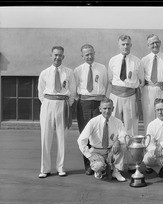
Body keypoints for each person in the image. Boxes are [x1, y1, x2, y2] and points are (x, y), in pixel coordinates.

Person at [38, 46, 76, 178]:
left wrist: (66, 105)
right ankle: (45, 169)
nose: (57, 57)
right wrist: (48, 104)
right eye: (55, 55)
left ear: (63, 57)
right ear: (51, 56)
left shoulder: (69, 72)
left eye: (60, 55)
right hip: (48, 104)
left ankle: (60, 167)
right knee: (45, 137)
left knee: (62, 137)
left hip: (63, 105)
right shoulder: (44, 73)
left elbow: (73, 92)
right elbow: (40, 93)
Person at [107, 35, 144, 172]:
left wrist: (129, 86)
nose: (125, 46)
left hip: (130, 96)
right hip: (115, 95)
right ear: (119, 45)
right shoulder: (113, 61)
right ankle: (113, 161)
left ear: (131, 45)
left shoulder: (137, 61)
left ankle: (131, 162)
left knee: (131, 129)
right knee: (114, 127)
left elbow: (141, 81)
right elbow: (111, 79)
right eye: (123, 44)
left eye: (128, 44)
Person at [74, 44, 108, 176]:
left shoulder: (102, 68)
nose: (89, 56)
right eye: (86, 54)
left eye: (91, 53)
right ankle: (89, 164)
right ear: (82, 56)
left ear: (95, 53)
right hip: (84, 103)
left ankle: (103, 162)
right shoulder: (77, 70)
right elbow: (74, 88)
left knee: (99, 133)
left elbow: (105, 84)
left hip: (98, 102)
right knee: (85, 134)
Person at [77, 97, 127, 182]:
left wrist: (118, 141)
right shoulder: (93, 121)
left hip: (111, 150)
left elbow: (125, 136)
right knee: (98, 166)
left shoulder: (117, 122)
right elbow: (81, 140)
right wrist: (89, 156)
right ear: (100, 109)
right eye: (104, 108)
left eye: (109, 108)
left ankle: (116, 170)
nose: (107, 111)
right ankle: (99, 170)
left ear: (113, 109)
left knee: (123, 145)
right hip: (97, 151)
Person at [140, 34, 163, 132]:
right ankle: (149, 143)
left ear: (160, 43)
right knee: (149, 116)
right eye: (152, 43)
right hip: (149, 90)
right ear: (148, 45)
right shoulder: (144, 60)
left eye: (157, 42)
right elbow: (141, 80)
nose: (155, 45)